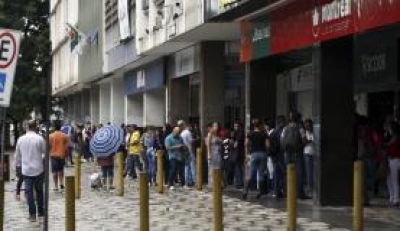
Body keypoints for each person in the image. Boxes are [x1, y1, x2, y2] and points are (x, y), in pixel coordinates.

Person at [15, 121, 45, 222]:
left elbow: (17, 156)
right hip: (38, 169)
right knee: (40, 192)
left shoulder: (20, 139)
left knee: (29, 193)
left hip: (26, 170)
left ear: (27, 127)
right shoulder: (39, 138)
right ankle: (41, 212)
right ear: (36, 127)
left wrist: (18, 167)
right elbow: (45, 152)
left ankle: (32, 214)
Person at [281, 113, 308, 199]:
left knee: (287, 172)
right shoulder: (300, 128)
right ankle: (300, 193)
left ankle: (287, 192)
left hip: (287, 153)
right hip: (297, 153)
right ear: (299, 119)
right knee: (299, 173)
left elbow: (281, 140)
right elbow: (304, 141)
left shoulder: (285, 128)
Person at [242, 119, 270, 200]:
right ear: (260, 125)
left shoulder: (250, 134)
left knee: (251, 173)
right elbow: (268, 145)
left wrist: (247, 154)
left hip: (253, 154)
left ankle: (245, 191)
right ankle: (259, 192)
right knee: (261, 174)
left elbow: (246, 143)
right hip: (263, 154)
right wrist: (266, 153)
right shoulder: (264, 134)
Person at [49, 121, 69, 191]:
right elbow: (66, 147)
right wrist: (66, 156)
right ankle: (61, 184)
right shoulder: (65, 136)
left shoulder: (50, 136)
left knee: (54, 172)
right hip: (61, 155)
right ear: (60, 127)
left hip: (53, 156)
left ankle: (55, 186)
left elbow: (49, 146)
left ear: (54, 127)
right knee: (61, 170)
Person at [270, 116, 286, 199]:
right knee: (283, 173)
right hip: (279, 154)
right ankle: (281, 190)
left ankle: (276, 191)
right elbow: (283, 143)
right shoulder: (282, 131)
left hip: (273, 154)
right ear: (281, 122)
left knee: (276, 173)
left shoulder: (272, 131)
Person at [386, 122, 400, 206]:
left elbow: (391, 149)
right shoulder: (394, 138)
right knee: (389, 180)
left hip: (394, 160)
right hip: (393, 160)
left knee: (394, 180)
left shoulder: (395, 139)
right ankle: (392, 197)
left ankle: (396, 199)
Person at [178, 120, 196, 187]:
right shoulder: (187, 132)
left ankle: (187, 181)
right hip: (189, 151)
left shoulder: (181, 134)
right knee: (192, 167)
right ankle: (194, 181)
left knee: (186, 167)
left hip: (184, 152)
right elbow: (191, 142)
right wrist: (195, 139)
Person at [206, 122, 223, 186]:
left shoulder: (217, 135)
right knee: (212, 168)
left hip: (218, 154)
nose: (216, 127)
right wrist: (209, 154)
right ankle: (212, 183)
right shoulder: (210, 134)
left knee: (218, 168)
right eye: (215, 126)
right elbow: (208, 144)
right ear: (212, 127)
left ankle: (217, 182)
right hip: (213, 154)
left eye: (217, 126)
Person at [303, 118, 315, 198]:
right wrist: (310, 141)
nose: (307, 126)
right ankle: (310, 189)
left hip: (315, 154)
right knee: (309, 173)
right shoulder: (304, 132)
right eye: (306, 125)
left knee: (314, 173)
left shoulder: (315, 131)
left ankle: (313, 189)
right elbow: (304, 142)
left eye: (309, 125)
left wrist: (309, 141)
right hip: (307, 154)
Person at [231, 122, 245, 189]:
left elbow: (235, 144)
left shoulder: (239, 134)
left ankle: (239, 183)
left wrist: (233, 140)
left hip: (238, 153)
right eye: (234, 126)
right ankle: (240, 182)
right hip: (240, 153)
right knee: (239, 168)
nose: (234, 127)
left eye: (236, 126)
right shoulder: (240, 133)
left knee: (238, 168)